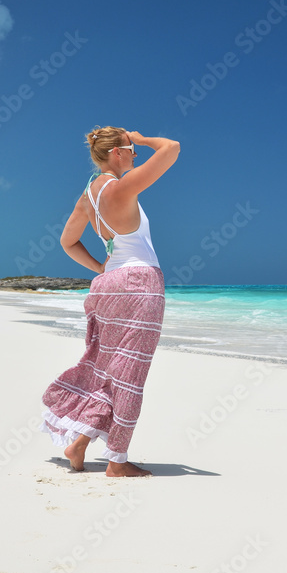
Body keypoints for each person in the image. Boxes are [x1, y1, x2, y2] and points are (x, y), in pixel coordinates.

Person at [40, 126, 179, 477]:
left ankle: (79, 443)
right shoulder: (120, 187)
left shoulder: (88, 196)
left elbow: (67, 242)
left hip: (107, 286)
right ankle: (117, 461)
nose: (136, 154)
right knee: (130, 375)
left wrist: (101, 267)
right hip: (139, 283)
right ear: (117, 152)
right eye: (131, 149)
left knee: (107, 370)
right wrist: (146, 137)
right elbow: (173, 148)